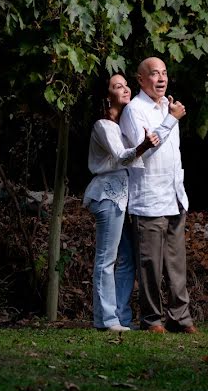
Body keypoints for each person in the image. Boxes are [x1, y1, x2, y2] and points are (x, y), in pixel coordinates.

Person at [83, 74, 173, 332]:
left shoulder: (122, 124)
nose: (125, 89)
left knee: (127, 260)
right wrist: (144, 145)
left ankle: (121, 317)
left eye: (125, 84)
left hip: (123, 197)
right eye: (117, 86)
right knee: (107, 259)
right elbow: (123, 157)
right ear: (106, 96)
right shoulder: (103, 126)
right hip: (108, 194)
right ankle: (106, 320)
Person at [119, 57, 196, 334]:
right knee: (150, 265)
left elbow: (171, 155)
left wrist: (170, 115)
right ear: (141, 80)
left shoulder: (167, 106)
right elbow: (145, 150)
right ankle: (152, 319)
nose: (161, 79)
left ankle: (180, 318)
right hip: (148, 198)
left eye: (164, 73)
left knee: (177, 264)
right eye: (154, 74)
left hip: (174, 197)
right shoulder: (134, 111)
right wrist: (170, 120)